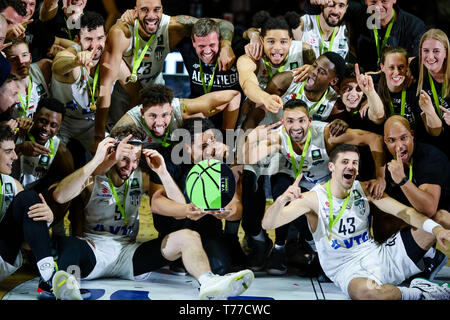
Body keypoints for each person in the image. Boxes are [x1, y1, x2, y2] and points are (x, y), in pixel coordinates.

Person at [51, 125, 254, 300]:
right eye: (124, 159)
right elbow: (60, 196)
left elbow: (179, 209)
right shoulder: (94, 177)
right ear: (113, 153)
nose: (130, 166)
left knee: (189, 236)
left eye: (135, 160)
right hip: (94, 251)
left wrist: (163, 172)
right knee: (71, 244)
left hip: (127, 254)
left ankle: (209, 283)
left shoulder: (140, 176)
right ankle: (69, 286)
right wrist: (97, 161)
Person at [262, 143, 450, 300]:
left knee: (439, 221)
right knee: (367, 293)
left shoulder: (364, 188)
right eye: (345, 162)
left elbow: (405, 212)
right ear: (331, 167)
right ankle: (420, 293)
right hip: (348, 270)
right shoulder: (313, 199)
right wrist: (282, 200)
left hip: (381, 256)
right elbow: (268, 225)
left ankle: (429, 258)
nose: (350, 166)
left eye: (354, 163)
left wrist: (438, 231)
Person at [242, 99, 386, 274]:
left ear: (309, 121)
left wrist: (380, 177)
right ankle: (295, 249)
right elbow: (250, 159)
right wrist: (251, 139)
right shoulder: (279, 137)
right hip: (303, 183)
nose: (296, 127)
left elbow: (374, 139)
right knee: (284, 190)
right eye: (290, 121)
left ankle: (330, 252)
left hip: (331, 186)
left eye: (301, 120)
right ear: (283, 122)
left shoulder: (327, 134)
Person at [93, 0, 236, 152]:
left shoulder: (172, 26)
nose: (151, 16)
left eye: (156, 10)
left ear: (162, 10)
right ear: (135, 11)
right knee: (120, 150)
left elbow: (222, 24)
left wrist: (226, 44)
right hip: (123, 96)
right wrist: (98, 136)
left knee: (157, 149)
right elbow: (105, 86)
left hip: (155, 97)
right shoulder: (121, 32)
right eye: (145, 10)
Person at [149, 117, 246, 275]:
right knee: (192, 179)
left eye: (211, 144)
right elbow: (156, 203)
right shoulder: (168, 158)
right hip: (174, 226)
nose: (209, 151)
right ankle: (179, 250)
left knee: (220, 268)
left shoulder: (219, 157)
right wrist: (186, 210)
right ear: (187, 147)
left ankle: (220, 245)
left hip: (207, 226)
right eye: (203, 146)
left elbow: (237, 208)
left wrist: (227, 212)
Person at [0, 123, 81, 300]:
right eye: (8, 151)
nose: (15, 156)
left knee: (29, 198)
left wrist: (47, 219)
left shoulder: (12, 185)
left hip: (3, 258)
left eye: (14, 150)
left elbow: (28, 244)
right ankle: (49, 278)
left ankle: (48, 277)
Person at [374, 115, 450, 280]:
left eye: (404, 138)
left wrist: (402, 181)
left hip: (443, 214)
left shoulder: (430, 158)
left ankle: (429, 255)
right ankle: (429, 255)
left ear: (412, 135)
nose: (399, 146)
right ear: (385, 142)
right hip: (421, 215)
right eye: (392, 140)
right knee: (383, 216)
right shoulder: (386, 161)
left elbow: (429, 209)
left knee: (440, 217)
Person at [51, 11, 129, 156]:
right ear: (77, 40)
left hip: (90, 123)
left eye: (100, 38)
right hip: (63, 121)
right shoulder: (71, 54)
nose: (95, 45)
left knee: (113, 156)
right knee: (59, 158)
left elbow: (134, 91)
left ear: (106, 37)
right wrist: (75, 62)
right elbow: (57, 65)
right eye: (88, 39)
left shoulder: (112, 60)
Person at [111, 84, 241, 148]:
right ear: (142, 114)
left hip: (176, 154)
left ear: (171, 110)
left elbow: (234, 96)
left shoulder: (182, 108)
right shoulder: (129, 122)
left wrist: (227, 140)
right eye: (152, 116)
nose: (159, 122)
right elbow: (108, 150)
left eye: (164, 115)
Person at [375, 46, 437, 138]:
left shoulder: (416, 91)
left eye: (401, 67)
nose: (396, 72)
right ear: (382, 67)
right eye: (391, 67)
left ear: (407, 66)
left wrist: (430, 112)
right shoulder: (374, 91)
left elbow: (433, 132)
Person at [410, 29, 450, 158]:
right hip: (429, 144)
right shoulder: (417, 66)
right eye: (426, 51)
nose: (430, 57)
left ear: (446, 54)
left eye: (436, 51)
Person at [3, 38, 52, 119]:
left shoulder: (43, 69)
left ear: (30, 57)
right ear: (6, 62)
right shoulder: (3, 91)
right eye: (13, 59)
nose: (21, 61)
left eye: (24, 55)